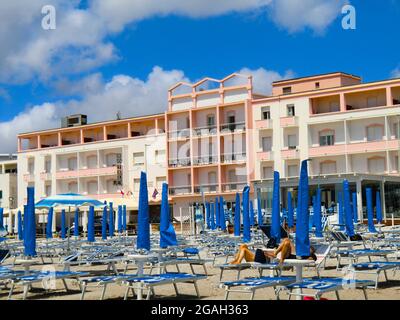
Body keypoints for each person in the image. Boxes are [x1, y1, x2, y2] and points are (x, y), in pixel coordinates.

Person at [230, 238, 317, 265]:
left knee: (244, 248)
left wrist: (311, 254)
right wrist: (269, 254)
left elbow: (313, 259)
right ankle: (237, 260)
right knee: (243, 246)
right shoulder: (300, 252)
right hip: (262, 257)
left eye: (310, 249)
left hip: (264, 259)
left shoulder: (307, 257)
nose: (308, 249)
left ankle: (237, 261)